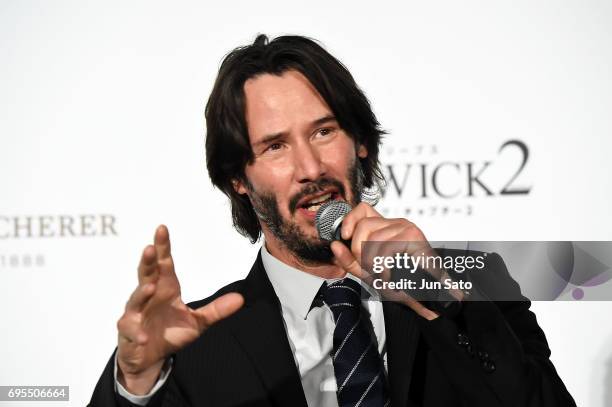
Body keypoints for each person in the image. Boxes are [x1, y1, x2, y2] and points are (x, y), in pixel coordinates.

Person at [89, 34, 576, 407]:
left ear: (360, 142)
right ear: (239, 177)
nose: (310, 168)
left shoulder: (473, 283)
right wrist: (134, 383)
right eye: (275, 146)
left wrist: (439, 301)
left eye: (324, 131)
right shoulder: (193, 347)